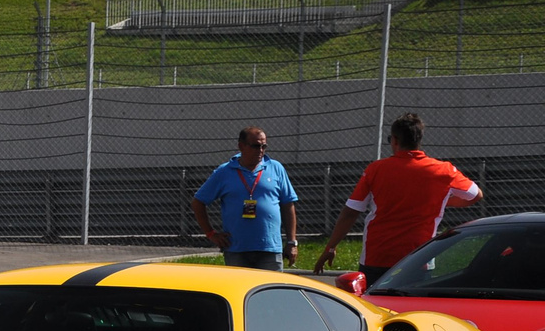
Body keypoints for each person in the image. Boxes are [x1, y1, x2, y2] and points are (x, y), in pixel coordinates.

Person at [313, 113, 482, 284]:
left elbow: (351, 212)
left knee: (375, 307)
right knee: (412, 309)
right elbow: (475, 195)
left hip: (377, 257)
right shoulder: (444, 170)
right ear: (419, 139)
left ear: (394, 140)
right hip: (419, 258)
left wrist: (331, 247)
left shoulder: (376, 169)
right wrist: (442, 201)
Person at [192, 126, 299, 270]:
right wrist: (211, 233)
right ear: (241, 146)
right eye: (256, 146)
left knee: (270, 290)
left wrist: (292, 242)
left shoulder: (275, 168)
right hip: (237, 249)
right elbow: (198, 202)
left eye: (264, 146)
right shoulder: (224, 172)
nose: (260, 150)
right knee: (240, 291)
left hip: (269, 249)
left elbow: (288, 205)